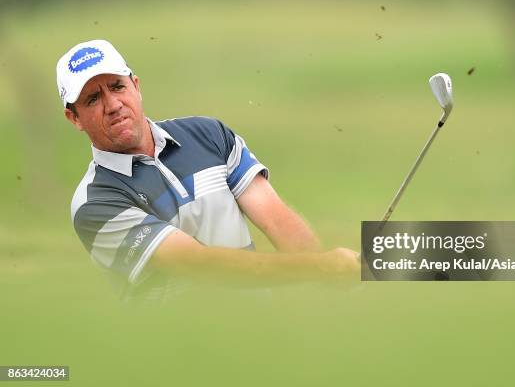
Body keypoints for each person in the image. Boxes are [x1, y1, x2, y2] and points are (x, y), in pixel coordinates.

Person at [57, 39, 359, 299]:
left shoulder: (208, 135)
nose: (113, 105)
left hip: (266, 337)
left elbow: (278, 220)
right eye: (93, 99)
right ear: (74, 118)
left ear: (136, 86)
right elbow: (200, 264)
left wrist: (325, 284)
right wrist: (320, 267)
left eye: (117, 87)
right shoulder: (95, 203)